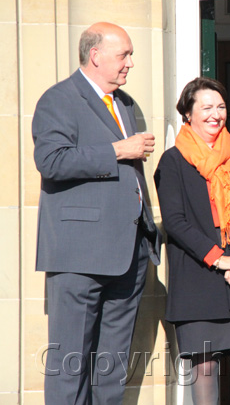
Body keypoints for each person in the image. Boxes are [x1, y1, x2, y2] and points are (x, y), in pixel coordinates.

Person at [32, 22, 161, 404]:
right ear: (96, 55)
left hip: (128, 255)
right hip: (79, 257)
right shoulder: (58, 99)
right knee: (70, 366)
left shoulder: (125, 103)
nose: (130, 64)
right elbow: (51, 161)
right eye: (123, 55)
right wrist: (119, 150)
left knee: (111, 370)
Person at [154, 77, 230, 404]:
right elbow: (175, 222)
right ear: (188, 114)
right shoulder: (172, 162)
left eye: (220, 106)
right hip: (197, 278)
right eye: (206, 107)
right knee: (204, 370)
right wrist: (220, 259)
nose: (215, 114)